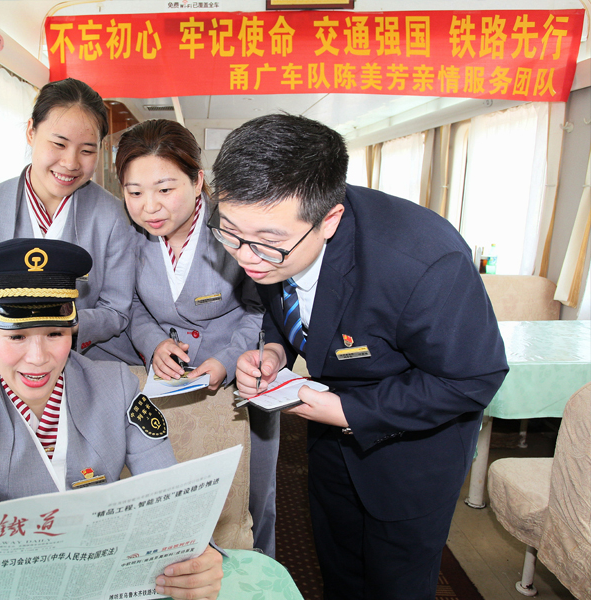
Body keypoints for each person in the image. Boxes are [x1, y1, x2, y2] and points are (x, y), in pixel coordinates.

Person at [210, 113, 508, 599]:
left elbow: (472, 378)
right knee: (339, 568)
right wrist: (273, 350)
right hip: (330, 438)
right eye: (229, 233)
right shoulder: (268, 236)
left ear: (329, 220)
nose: (245, 257)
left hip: (411, 452)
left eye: (267, 244)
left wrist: (348, 410)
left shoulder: (424, 261)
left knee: (396, 584)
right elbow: (285, 303)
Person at [0, 239, 223, 600]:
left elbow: (171, 495)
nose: (38, 357)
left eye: (55, 333)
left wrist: (199, 555)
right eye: (17, 336)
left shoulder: (117, 385)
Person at [0, 78, 138, 362]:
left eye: (87, 151)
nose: (71, 163)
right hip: (14, 359)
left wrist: (58, 325)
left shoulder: (113, 214)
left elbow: (117, 310)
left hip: (90, 358)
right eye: (59, 144)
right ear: (31, 132)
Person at [115, 119, 263, 389]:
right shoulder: (126, 232)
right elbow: (130, 301)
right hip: (165, 379)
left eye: (164, 190)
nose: (150, 207)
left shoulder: (235, 227)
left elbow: (261, 309)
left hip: (238, 373)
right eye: (135, 192)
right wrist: (154, 343)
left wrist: (229, 360)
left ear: (197, 182)